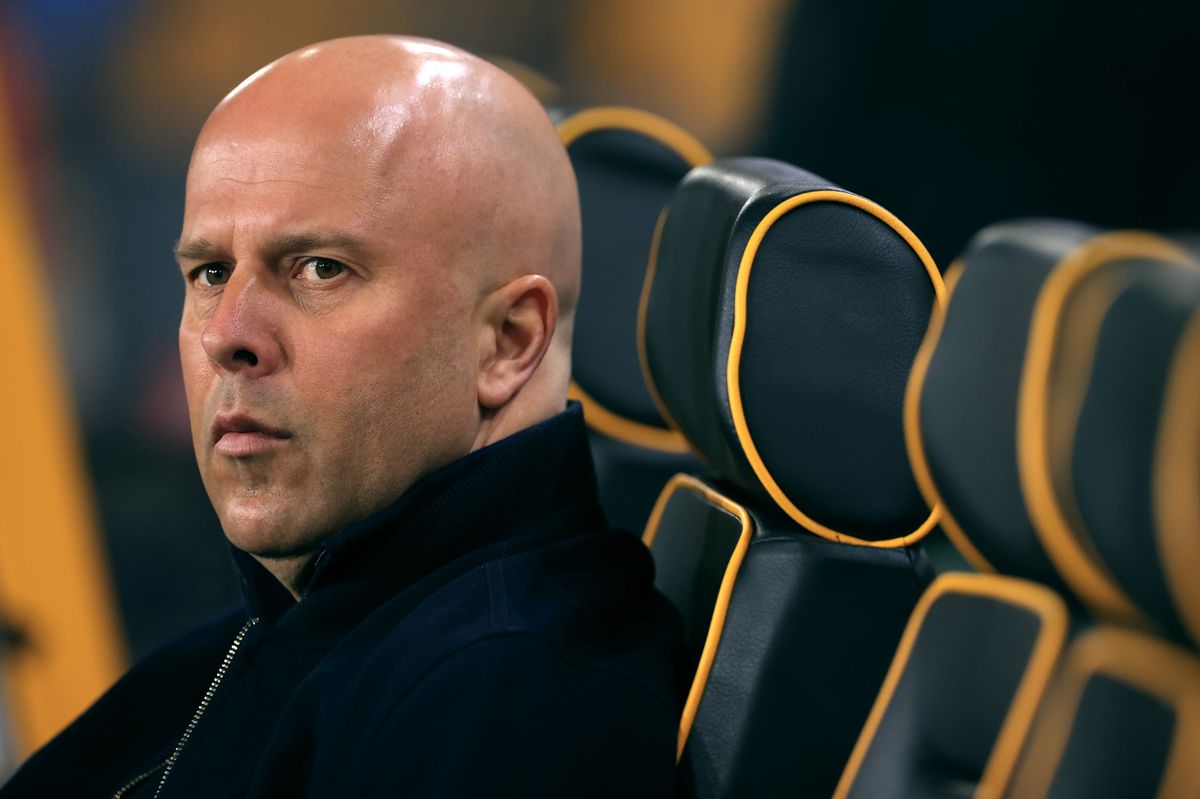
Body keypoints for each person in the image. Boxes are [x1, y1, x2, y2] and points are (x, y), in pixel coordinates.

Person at [2, 35, 683, 797]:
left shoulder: (503, 709)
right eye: (211, 272)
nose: (228, 335)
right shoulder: (290, 627)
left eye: (320, 268)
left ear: (507, 341)